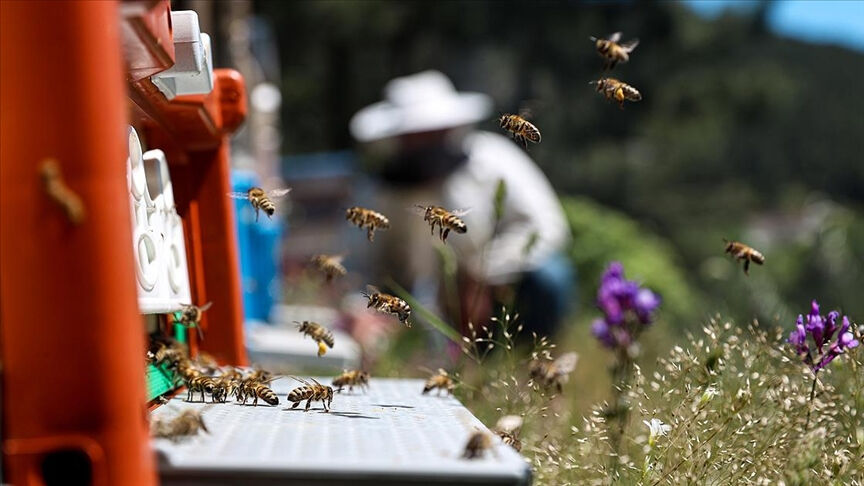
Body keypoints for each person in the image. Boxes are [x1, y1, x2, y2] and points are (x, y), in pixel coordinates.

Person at [349, 70, 572, 338]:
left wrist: (483, 274)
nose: (424, 143)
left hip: (500, 287)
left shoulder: (493, 159)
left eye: (432, 132)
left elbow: (548, 227)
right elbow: (357, 263)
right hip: (411, 306)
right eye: (415, 135)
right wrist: (361, 308)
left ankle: (527, 348)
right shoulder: (378, 191)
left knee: (550, 276)